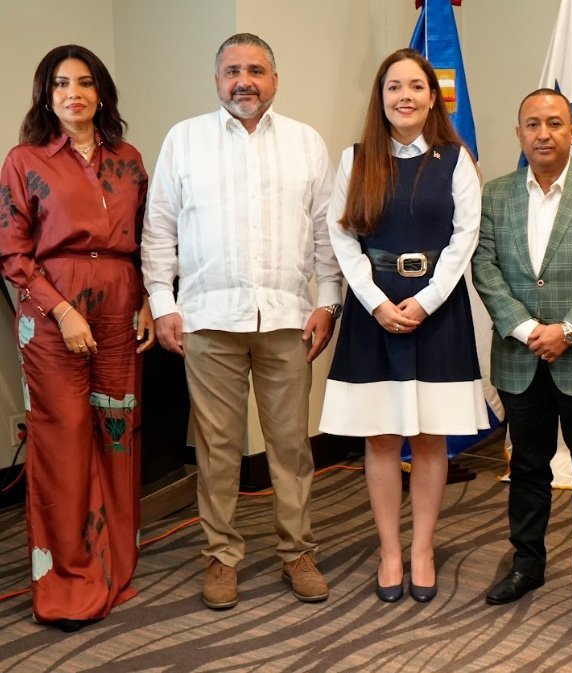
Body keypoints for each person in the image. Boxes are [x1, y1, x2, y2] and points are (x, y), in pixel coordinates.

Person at [141, 33, 342, 610]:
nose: (243, 81)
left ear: (274, 80)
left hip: (286, 319)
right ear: (216, 79)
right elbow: (160, 229)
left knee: (289, 447)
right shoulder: (185, 140)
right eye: (231, 70)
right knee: (218, 448)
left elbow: (326, 233)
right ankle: (221, 556)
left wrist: (327, 303)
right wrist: (163, 303)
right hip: (208, 320)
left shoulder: (306, 144)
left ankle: (296, 550)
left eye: (255, 70)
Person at [319, 48, 487, 604]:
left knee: (430, 434)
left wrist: (427, 301)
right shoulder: (356, 158)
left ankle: (422, 549)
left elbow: (466, 239)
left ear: (431, 97)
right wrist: (373, 301)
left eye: (416, 86)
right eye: (394, 87)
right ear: (381, 97)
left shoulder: (455, 160)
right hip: (376, 311)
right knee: (383, 435)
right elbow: (342, 235)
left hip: (437, 312)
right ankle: (391, 550)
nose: (405, 96)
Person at [0, 45, 154, 631]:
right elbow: (12, 253)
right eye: (61, 84)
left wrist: (143, 301)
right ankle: (67, 573)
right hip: (51, 310)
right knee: (62, 438)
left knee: (119, 429)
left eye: (85, 83)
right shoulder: (24, 159)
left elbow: (147, 238)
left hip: (120, 302)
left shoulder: (130, 159)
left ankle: (115, 558)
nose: (74, 93)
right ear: (46, 94)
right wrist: (62, 311)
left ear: (101, 93)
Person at [472, 89, 572, 617]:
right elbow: (485, 268)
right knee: (528, 467)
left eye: (555, 123)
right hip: (520, 356)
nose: (543, 133)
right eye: (532, 124)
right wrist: (522, 327)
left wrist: (569, 329)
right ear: (519, 134)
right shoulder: (494, 194)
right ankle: (526, 563)